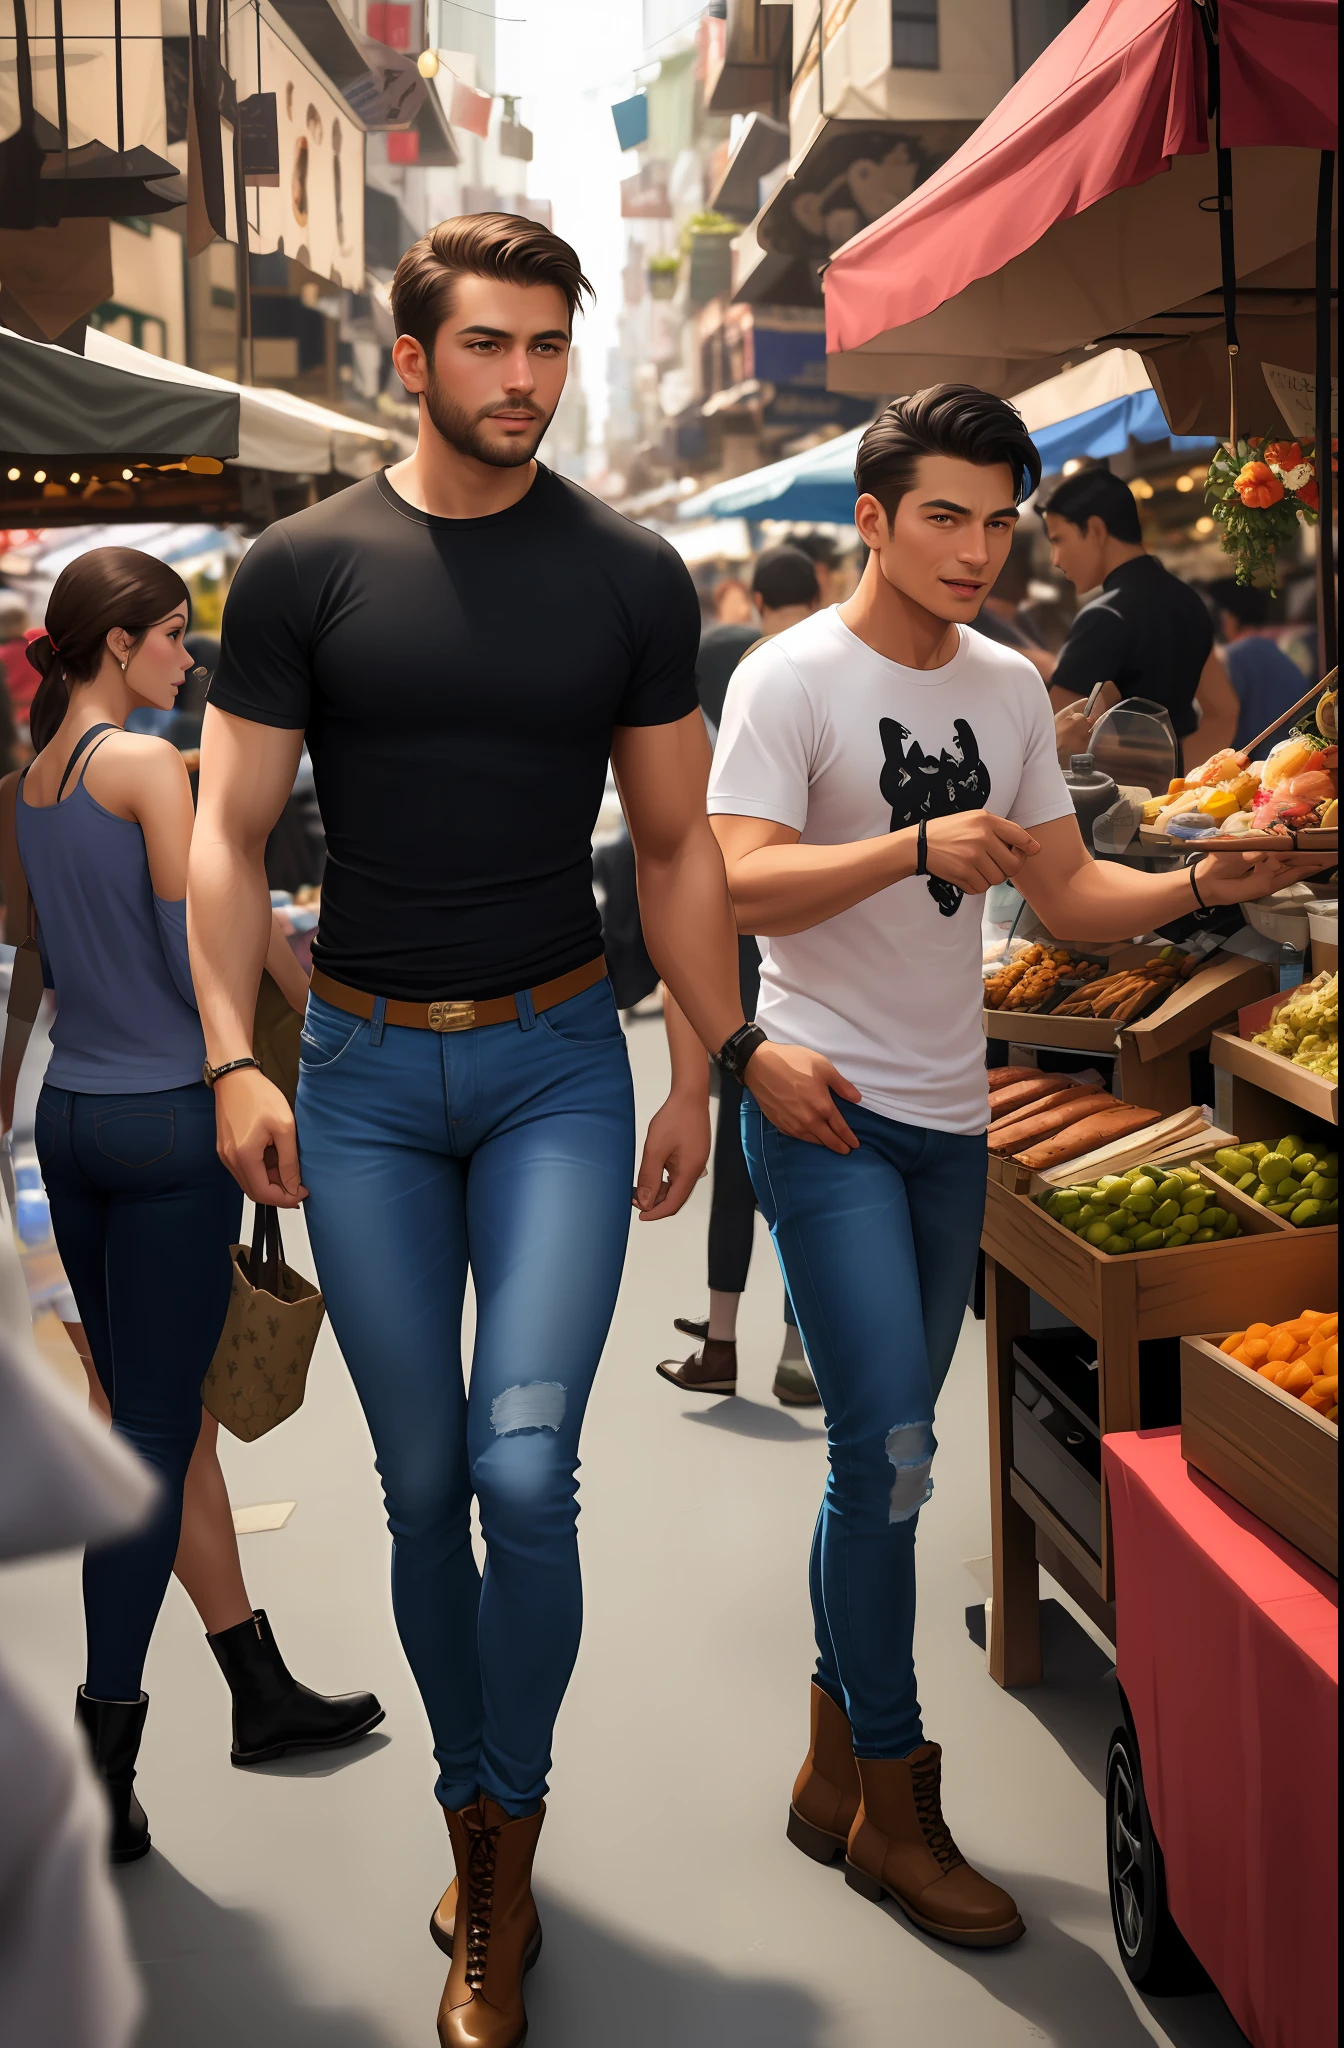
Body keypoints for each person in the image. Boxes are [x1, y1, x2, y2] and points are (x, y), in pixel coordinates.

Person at [185, 213, 843, 2048]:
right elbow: (229, 837)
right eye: (489, 345)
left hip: (560, 1064)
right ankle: (469, 1824)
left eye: (548, 346)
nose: (525, 379)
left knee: (519, 1471)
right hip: (367, 1084)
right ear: (412, 357)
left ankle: (505, 1846)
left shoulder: (629, 572)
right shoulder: (302, 568)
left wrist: (705, 1054)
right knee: (416, 1486)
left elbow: (674, 844)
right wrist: (235, 1062)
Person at [707, 384, 1316, 1951]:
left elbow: (1069, 898)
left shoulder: (1003, 683)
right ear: (872, 519)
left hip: (956, 1114)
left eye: (1000, 518)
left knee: (883, 1455)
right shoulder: (791, 681)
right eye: (944, 518)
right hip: (825, 1106)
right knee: (893, 1448)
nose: (979, 549)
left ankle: (830, 1762)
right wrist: (913, 851)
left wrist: (1202, 877)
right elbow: (739, 887)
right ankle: (901, 1805)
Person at [2, 548, 384, 1865]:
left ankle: (257, 1688)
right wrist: (302, 982)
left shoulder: (33, 787)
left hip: (75, 1127)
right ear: (115, 647)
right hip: (172, 1121)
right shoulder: (148, 769)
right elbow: (201, 945)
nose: (186, 656)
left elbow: (40, 968)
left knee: (153, 1421)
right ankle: (101, 1752)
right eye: (171, 635)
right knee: (154, 1444)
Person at [1042, 466, 1239, 770]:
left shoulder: (1104, 616)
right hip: (1177, 800)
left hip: (1111, 805)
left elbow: (1051, 737)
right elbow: (1224, 711)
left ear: (1094, 529)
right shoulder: (1187, 600)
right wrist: (1177, 782)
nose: (1055, 559)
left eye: (1058, 540)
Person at [1208, 577, 1313, 755]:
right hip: (1295, 757)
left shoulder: (1231, 659)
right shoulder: (1279, 653)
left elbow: (1220, 726)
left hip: (1255, 768)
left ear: (1229, 618)